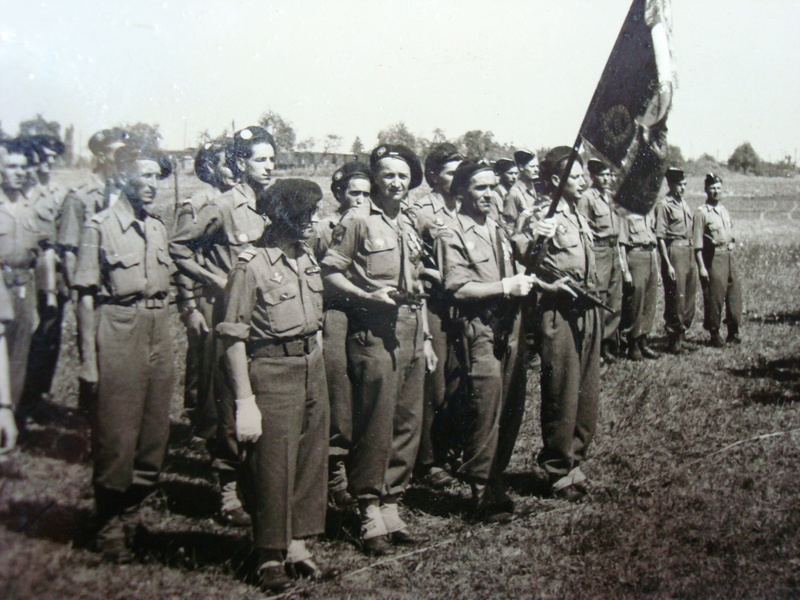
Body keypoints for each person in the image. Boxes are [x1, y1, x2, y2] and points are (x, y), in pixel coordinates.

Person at [217, 179, 334, 593]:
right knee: (273, 464)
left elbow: (315, 321)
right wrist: (245, 401)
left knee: (308, 457)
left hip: (310, 366)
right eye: (305, 215)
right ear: (283, 218)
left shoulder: (306, 257)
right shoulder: (250, 266)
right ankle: (268, 554)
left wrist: (315, 363)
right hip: (270, 370)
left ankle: (297, 545)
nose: (313, 221)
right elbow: (232, 337)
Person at [322, 144, 437, 556]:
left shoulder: (408, 222)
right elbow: (330, 273)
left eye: (403, 175)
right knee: (375, 422)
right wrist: (366, 297)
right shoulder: (357, 220)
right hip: (371, 333)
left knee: (407, 421)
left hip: (409, 332)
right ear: (374, 179)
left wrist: (424, 338)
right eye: (388, 174)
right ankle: (367, 509)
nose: (397, 182)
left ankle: (392, 503)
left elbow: (417, 287)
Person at [73, 143, 177, 562]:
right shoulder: (98, 227)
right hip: (118, 326)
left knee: (155, 432)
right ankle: (109, 523)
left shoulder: (156, 228)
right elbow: (83, 297)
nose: (151, 185)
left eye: (156, 177)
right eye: (143, 175)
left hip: (158, 329)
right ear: (122, 177)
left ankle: (133, 514)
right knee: (117, 431)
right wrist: (87, 361)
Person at [170, 126, 273, 526]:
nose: (267, 167)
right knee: (228, 400)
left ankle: (258, 482)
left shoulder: (274, 205)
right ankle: (229, 490)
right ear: (240, 164)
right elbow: (179, 246)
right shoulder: (224, 205)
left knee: (259, 395)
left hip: (266, 316)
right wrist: (212, 279)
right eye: (259, 160)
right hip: (229, 313)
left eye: (271, 160)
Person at [439, 160, 538, 521]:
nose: (489, 194)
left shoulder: (495, 228)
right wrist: (503, 287)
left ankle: (496, 479)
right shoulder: (452, 233)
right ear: (462, 192)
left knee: (511, 405)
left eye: (493, 186)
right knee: (485, 407)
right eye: (480, 187)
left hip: (509, 328)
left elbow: (519, 262)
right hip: (479, 330)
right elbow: (457, 287)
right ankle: (480, 490)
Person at [518, 146, 600, 501]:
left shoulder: (577, 214)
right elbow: (522, 253)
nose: (584, 182)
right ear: (556, 180)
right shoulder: (542, 215)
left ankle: (575, 460)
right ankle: (556, 468)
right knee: (561, 390)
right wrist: (538, 233)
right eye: (577, 177)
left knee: (585, 389)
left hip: (587, 308)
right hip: (557, 310)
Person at [313, 161, 371, 507]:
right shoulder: (324, 228)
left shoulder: (375, 224)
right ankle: (336, 471)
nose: (361, 200)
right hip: (334, 313)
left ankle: (362, 467)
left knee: (366, 390)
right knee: (338, 389)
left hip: (367, 314)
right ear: (339, 194)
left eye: (366, 194)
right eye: (354, 193)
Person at [406, 143, 463, 490]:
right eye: (451, 172)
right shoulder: (419, 209)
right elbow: (412, 256)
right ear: (432, 176)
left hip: (465, 303)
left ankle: (450, 447)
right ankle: (426, 460)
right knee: (434, 383)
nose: (458, 179)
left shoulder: (466, 205)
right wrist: (429, 273)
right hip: (436, 304)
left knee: (459, 377)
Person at [174, 138, 237, 446]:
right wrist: (189, 306)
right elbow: (182, 258)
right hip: (207, 294)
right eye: (228, 163)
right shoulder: (198, 205)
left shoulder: (238, 201)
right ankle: (203, 426)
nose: (235, 169)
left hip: (232, 294)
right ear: (211, 167)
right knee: (205, 363)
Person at [0, 140, 55, 415]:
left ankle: (12, 419)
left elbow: (44, 253)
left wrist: (48, 294)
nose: (18, 172)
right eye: (11, 166)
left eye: (23, 167)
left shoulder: (31, 208)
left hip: (24, 286)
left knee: (19, 353)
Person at [20, 135, 70, 420]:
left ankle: (38, 395)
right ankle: (19, 395)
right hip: (28, 269)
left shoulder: (59, 192)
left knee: (50, 335)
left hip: (54, 272)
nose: (49, 162)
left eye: (53, 156)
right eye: (44, 156)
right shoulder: (21, 190)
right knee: (25, 332)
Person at [577, 157, 623, 362]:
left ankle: (608, 345)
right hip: (599, 250)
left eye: (608, 175)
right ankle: (594, 347)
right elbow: (583, 230)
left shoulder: (611, 197)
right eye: (602, 175)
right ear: (593, 176)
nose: (606, 179)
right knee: (599, 297)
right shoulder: (587, 198)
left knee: (614, 297)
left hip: (614, 249)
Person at [693, 173, 742, 347]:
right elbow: (697, 244)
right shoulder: (701, 213)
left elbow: (730, 232)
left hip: (729, 255)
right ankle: (714, 333)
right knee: (714, 296)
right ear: (706, 189)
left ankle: (733, 331)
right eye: (712, 188)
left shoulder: (724, 210)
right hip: (714, 258)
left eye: (719, 188)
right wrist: (701, 267)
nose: (716, 191)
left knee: (734, 294)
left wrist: (732, 244)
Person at [655, 167, 697, 353]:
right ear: (670, 185)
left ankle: (682, 333)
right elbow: (660, 237)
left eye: (684, 185)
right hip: (675, 251)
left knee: (689, 297)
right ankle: (674, 339)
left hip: (688, 251)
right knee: (676, 296)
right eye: (679, 185)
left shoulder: (683, 204)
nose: (682, 188)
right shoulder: (665, 205)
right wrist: (667, 263)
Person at [618, 203, 660, 361]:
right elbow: (621, 244)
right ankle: (632, 343)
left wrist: (655, 265)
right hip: (635, 257)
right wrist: (625, 270)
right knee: (635, 302)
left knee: (649, 302)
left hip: (650, 256)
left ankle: (644, 340)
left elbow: (653, 242)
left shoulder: (648, 212)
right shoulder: (626, 213)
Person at [502, 149, 541, 232]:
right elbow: (509, 227)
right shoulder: (513, 193)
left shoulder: (534, 187)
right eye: (532, 166)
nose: (536, 170)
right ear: (521, 167)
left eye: (537, 166)